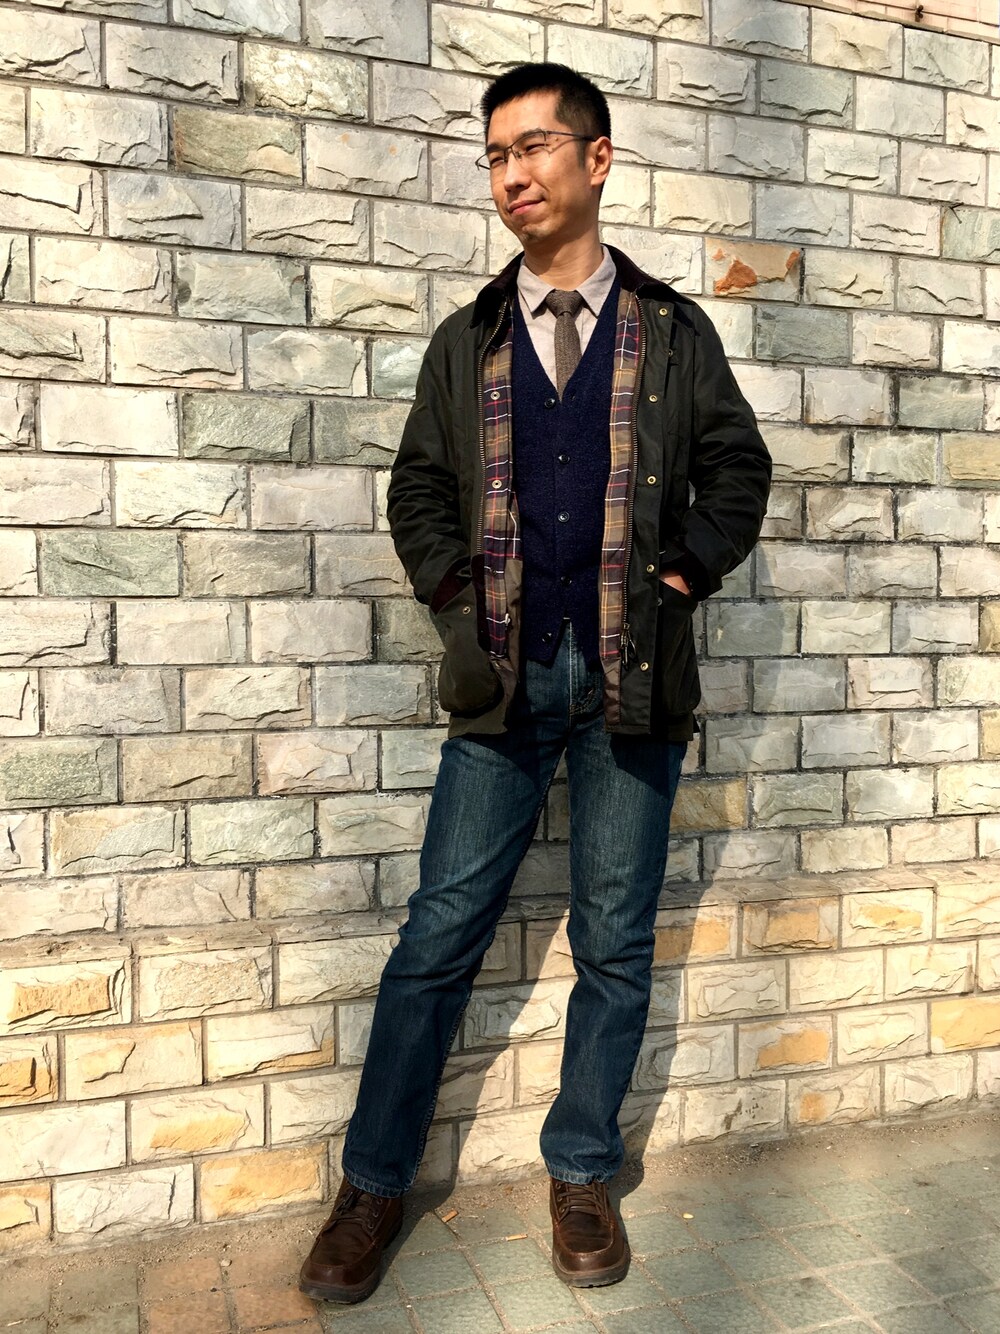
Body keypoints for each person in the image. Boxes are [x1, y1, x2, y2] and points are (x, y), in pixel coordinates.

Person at [299, 62, 772, 1305]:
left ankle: (582, 1170)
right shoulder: (469, 339)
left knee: (615, 937)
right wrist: (454, 599)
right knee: (437, 934)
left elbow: (738, 468)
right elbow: (417, 485)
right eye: (496, 155)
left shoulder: (673, 331)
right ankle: (373, 1182)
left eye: (534, 146)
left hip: (632, 684)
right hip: (500, 683)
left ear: (595, 159)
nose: (512, 174)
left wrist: (682, 577)